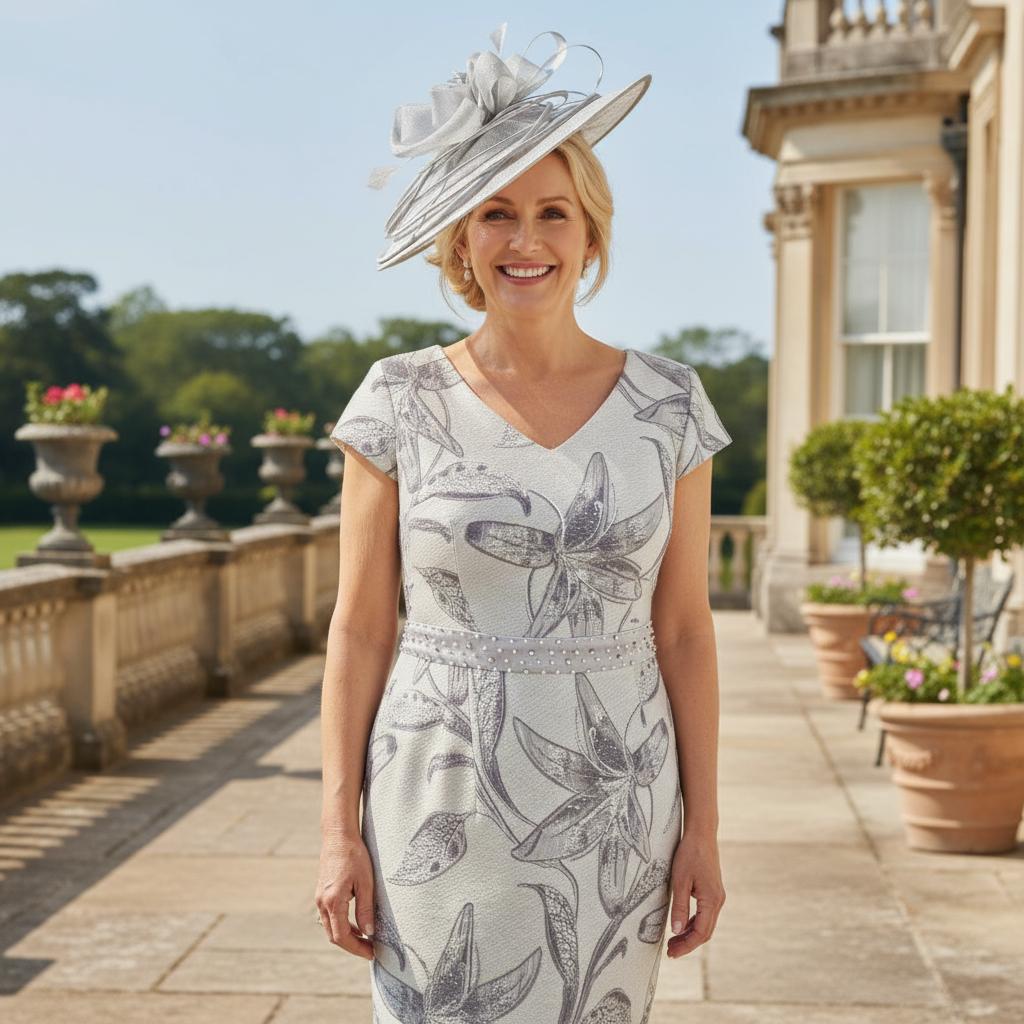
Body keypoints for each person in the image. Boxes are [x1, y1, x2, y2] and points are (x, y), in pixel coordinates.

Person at [316, 24, 732, 1022]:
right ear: (461, 238)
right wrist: (338, 827)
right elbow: (362, 627)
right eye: (495, 214)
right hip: (436, 799)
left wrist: (704, 831)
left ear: (590, 235)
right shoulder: (396, 399)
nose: (526, 240)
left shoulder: (669, 407)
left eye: (554, 213)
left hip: (615, 806)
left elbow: (683, 631)